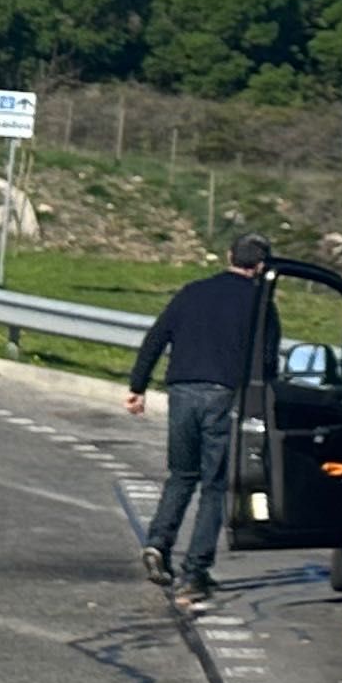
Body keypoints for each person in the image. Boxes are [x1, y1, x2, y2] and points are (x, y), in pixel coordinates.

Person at [126, 233, 275, 604]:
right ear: (261, 267)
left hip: (181, 391)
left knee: (181, 474)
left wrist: (138, 386)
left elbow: (156, 337)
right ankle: (195, 571)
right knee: (214, 485)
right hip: (223, 396)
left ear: (228, 255)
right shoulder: (261, 304)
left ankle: (158, 543)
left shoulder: (192, 291)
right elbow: (268, 360)